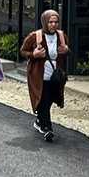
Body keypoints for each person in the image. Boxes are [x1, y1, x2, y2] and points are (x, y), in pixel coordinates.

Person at [20, 9, 69, 142]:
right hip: (39, 74)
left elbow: (66, 51)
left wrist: (65, 50)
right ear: (44, 22)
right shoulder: (35, 36)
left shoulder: (61, 36)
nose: (53, 25)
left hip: (55, 75)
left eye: (56, 22)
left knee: (51, 98)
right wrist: (34, 54)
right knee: (43, 99)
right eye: (50, 22)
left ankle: (39, 120)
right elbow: (23, 51)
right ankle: (47, 128)